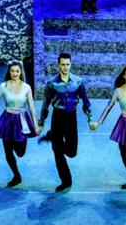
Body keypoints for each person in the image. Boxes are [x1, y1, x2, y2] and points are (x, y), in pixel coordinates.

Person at [0, 60, 38, 187]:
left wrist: (36, 124)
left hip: (22, 120)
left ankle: (17, 145)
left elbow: (32, 107)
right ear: (9, 71)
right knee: (8, 152)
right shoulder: (3, 86)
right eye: (12, 71)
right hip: (7, 120)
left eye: (17, 71)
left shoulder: (27, 87)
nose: (14, 73)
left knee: (21, 153)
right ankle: (17, 176)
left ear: (21, 72)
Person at [38, 52, 92, 192]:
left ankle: (52, 137)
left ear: (71, 64)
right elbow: (45, 103)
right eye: (63, 64)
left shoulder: (78, 81)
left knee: (72, 152)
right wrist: (41, 122)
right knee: (57, 152)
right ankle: (66, 181)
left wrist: (90, 119)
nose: (65, 67)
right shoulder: (52, 83)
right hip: (57, 117)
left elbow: (85, 101)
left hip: (71, 117)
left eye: (67, 64)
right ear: (58, 65)